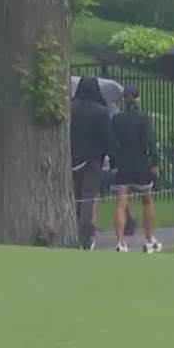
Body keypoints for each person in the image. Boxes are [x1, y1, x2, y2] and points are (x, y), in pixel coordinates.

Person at [110, 84, 162, 253]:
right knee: (147, 201)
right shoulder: (143, 118)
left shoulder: (116, 119)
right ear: (138, 99)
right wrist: (154, 162)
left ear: (124, 100)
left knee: (121, 204)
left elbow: (113, 143)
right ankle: (148, 237)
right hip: (140, 165)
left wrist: (113, 162)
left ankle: (120, 241)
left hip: (123, 165)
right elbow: (150, 142)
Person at [69, 77, 115, 250]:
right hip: (93, 161)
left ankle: (72, 231)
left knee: (74, 197)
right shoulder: (101, 112)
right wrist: (113, 159)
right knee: (88, 198)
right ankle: (84, 238)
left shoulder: (71, 109)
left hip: (73, 159)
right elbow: (107, 139)